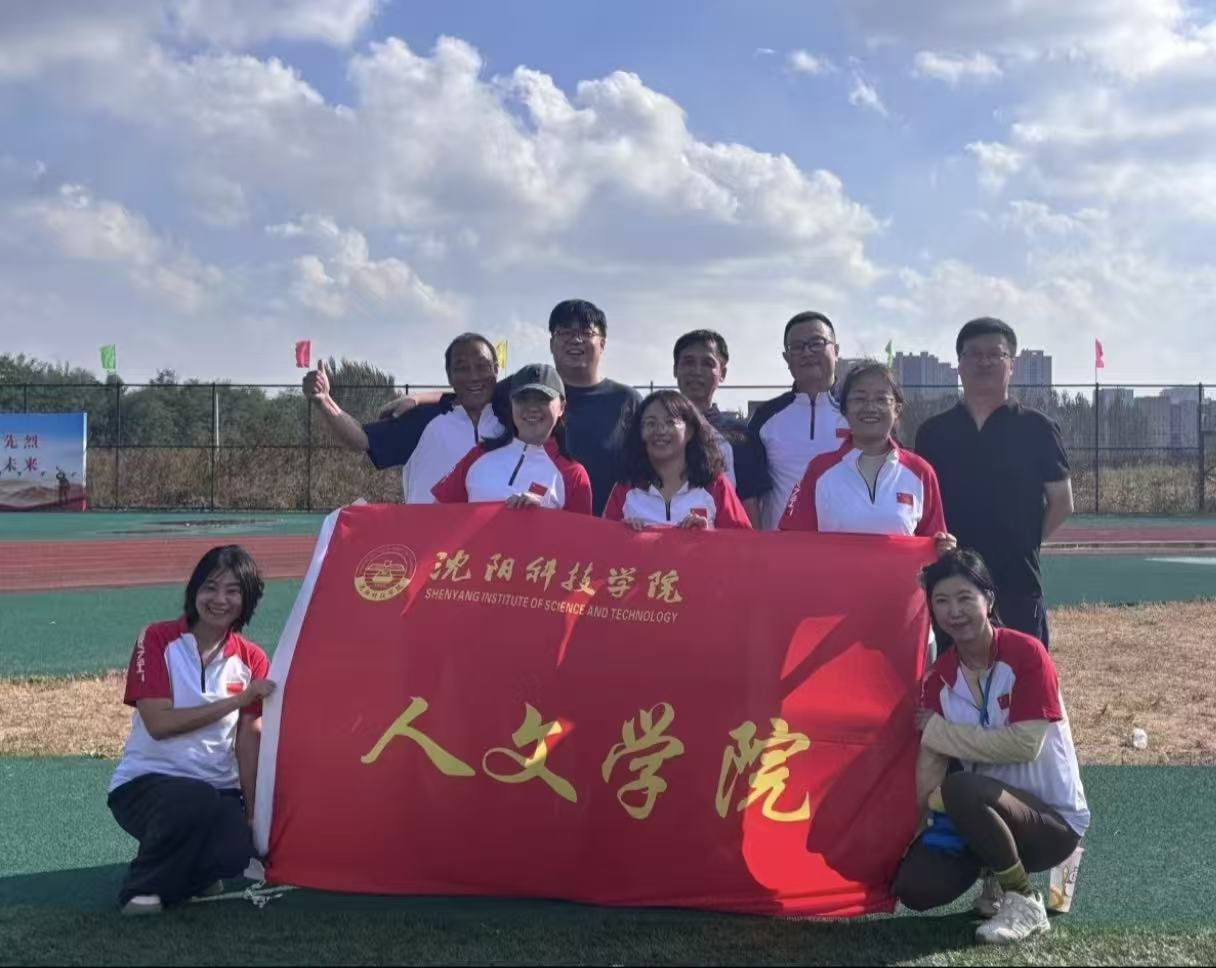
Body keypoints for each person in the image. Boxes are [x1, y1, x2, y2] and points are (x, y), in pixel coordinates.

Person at [891, 549, 1089, 946]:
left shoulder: (1027, 654)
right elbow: (931, 758)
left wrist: (942, 732)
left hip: (1051, 822)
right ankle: (994, 878)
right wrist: (918, 826)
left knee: (961, 789)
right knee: (915, 887)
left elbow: (1025, 745)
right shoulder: (939, 677)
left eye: (965, 598)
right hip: (982, 817)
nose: (954, 612)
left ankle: (1023, 899)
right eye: (941, 601)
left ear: (989, 600)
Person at [107, 546, 275, 916]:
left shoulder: (253, 658)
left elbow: (249, 739)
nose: (219, 599)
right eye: (210, 587)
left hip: (219, 790)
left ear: (247, 599)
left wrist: (252, 810)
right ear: (194, 590)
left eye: (233, 591)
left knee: (237, 851)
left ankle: (191, 869)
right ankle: (141, 889)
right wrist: (237, 700)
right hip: (146, 785)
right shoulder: (156, 639)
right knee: (192, 801)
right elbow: (159, 724)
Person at [380, 300, 641, 515]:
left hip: (607, 531)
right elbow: (470, 391)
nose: (575, 340)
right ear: (551, 343)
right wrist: (417, 399)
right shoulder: (489, 442)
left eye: (586, 332)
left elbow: (646, 462)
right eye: (565, 333)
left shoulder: (626, 401)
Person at [914, 317, 1073, 647]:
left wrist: (1026, 541)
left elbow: (1062, 502)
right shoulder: (933, 432)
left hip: (1017, 580)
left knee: (1021, 667)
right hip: (953, 580)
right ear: (959, 365)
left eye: (995, 354)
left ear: (1011, 364)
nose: (983, 362)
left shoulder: (1038, 428)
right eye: (973, 354)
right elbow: (922, 506)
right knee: (953, 672)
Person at [303, 333, 503, 503]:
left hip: (494, 538)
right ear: (449, 376)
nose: (473, 376)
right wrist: (325, 401)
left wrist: (418, 397)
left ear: (496, 369)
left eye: (482, 366)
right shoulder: (424, 419)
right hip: (430, 536)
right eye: (462, 368)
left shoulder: (511, 415)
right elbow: (361, 439)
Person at [780, 361, 953, 548]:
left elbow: (935, 545)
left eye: (881, 399)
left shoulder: (921, 472)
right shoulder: (818, 469)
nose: (870, 407)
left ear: (897, 409)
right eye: (859, 399)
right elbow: (792, 543)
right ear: (844, 409)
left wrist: (944, 546)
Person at [431, 363, 592, 513]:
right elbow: (437, 516)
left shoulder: (574, 475)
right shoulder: (478, 455)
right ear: (511, 403)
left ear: (561, 407)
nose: (532, 407)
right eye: (522, 399)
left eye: (542, 399)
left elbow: (580, 533)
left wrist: (545, 517)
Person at [748, 311, 849, 530]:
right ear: (786, 358)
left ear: (836, 351)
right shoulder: (765, 417)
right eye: (797, 347)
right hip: (782, 546)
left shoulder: (858, 411)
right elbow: (750, 494)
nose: (807, 352)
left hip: (845, 545)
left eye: (817, 343)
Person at [603, 389, 751, 530]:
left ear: (689, 431)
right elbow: (604, 541)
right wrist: (621, 533)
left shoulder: (716, 486)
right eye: (650, 423)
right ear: (640, 432)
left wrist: (708, 535)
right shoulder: (626, 488)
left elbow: (742, 541)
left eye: (670, 422)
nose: (660, 431)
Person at [672, 329, 771, 528]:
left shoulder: (742, 437)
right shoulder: (654, 432)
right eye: (688, 362)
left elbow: (749, 509)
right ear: (675, 369)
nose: (697, 371)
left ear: (722, 373)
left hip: (721, 544)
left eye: (707, 363)